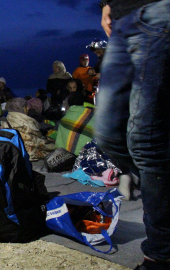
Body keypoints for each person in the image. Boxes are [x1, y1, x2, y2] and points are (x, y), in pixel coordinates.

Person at [96, 1, 170, 268]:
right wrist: (106, 4)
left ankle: (159, 255)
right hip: (121, 17)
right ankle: (147, 177)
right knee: (106, 134)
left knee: (146, 141)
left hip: (158, 11)